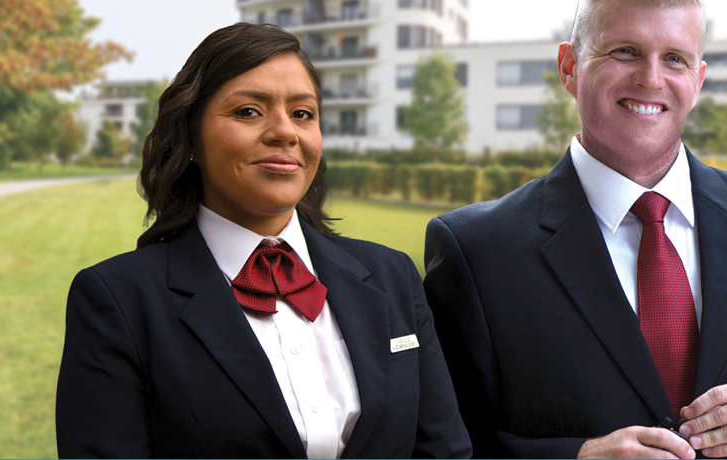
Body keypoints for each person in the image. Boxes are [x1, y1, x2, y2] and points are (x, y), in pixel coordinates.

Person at [422, 1, 727, 458]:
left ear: (697, 82)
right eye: (625, 51)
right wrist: (577, 457)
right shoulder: (476, 252)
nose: (651, 79)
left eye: (675, 58)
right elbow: (443, 443)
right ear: (569, 68)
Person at [56, 23, 473, 459]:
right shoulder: (116, 299)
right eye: (249, 112)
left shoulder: (393, 276)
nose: (285, 132)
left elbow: (443, 449)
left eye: (303, 113)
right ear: (190, 136)